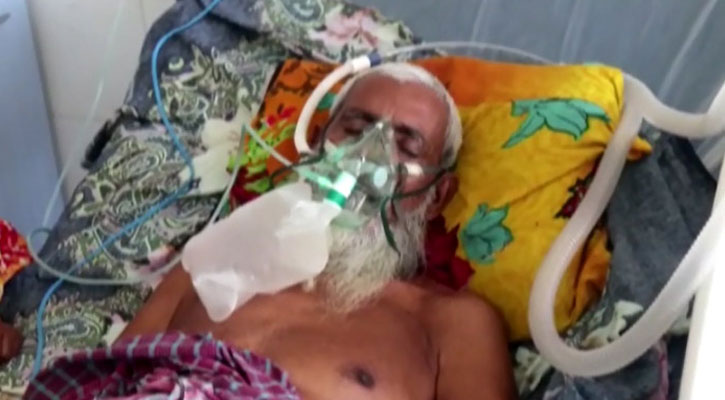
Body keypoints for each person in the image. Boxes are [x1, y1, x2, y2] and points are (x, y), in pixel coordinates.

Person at [26, 63, 517, 400]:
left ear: (438, 195)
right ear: (318, 143)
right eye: (355, 128)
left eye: (406, 146)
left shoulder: (450, 322)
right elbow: (110, 376)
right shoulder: (215, 258)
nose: (369, 156)